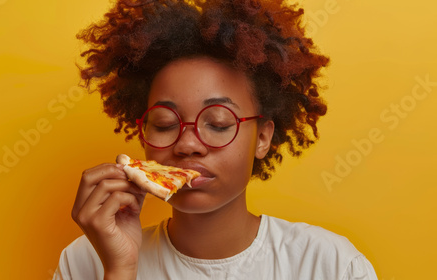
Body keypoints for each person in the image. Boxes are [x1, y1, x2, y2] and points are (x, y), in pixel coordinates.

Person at [54, 0, 378, 279]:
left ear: (263, 138)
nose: (188, 144)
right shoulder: (86, 261)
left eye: (219, 124)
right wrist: (120, 270)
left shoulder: (330, 265)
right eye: (166, 124)